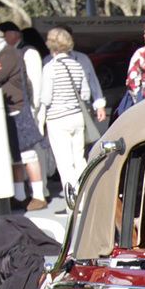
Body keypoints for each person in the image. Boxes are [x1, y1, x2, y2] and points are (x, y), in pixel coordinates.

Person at [0, 24, 45, 213]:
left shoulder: (8, 54)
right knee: (16, 157)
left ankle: (38, 195)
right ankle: (19, 196)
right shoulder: (7, 53)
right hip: (11, 110)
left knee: (28, 155)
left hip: (18, 110)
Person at [37, 27, 94, 214]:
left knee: (64, 162)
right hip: (77, 116)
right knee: (79, 159)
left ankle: (72, 203)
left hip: (57, 119)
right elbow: (85, 93)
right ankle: (87, 196)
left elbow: (45, 98)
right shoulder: (77, 65)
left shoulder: (50, 67)